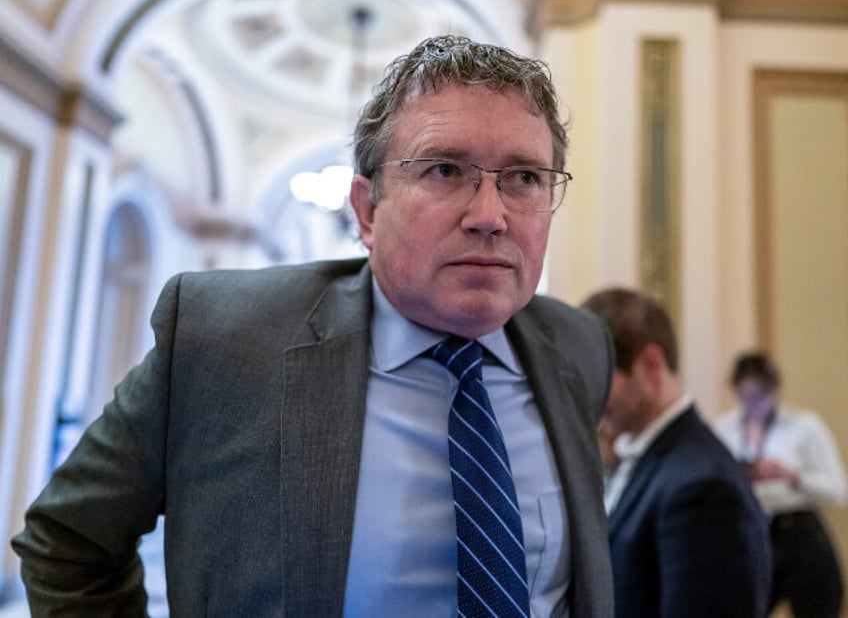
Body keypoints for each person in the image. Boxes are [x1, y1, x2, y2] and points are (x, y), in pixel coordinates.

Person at [12, 35, 616, 617]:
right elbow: (68, 541)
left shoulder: (579, 348)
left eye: (524, 178)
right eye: (444, 171)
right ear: (367, 209)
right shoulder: (222, 338)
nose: (490, 216)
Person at [582, 287, 771, 618]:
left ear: (651, 365)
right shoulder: (652, 459)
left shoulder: (702, 487)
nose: (589, 397)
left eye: (597, 378)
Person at [714, 351, 846, 618]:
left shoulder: (804, 427)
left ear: (774, 390)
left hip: (800, 532)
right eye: (745, 397)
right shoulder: (723, 430)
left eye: (760, 396)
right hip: (752, 531)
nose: (754, 406)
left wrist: (791, 476)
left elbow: (838, 490)